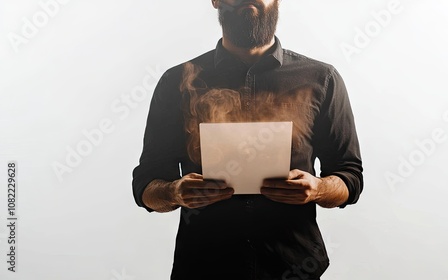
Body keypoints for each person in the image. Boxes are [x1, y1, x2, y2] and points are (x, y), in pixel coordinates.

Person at [132, 0, 363, 279]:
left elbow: (350, 177)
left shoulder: (322, 79)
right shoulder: (176, 82)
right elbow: (146, 185)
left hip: (294, 267)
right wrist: (174, 192)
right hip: (203, 269)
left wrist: (318, 188)